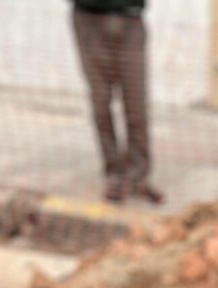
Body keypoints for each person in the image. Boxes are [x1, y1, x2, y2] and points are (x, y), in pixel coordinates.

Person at [70, 0, 163, 204]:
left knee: (136, 103)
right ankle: (114, 174)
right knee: (101, 101)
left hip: (130, 17)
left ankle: (139, 176)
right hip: (89, 18)